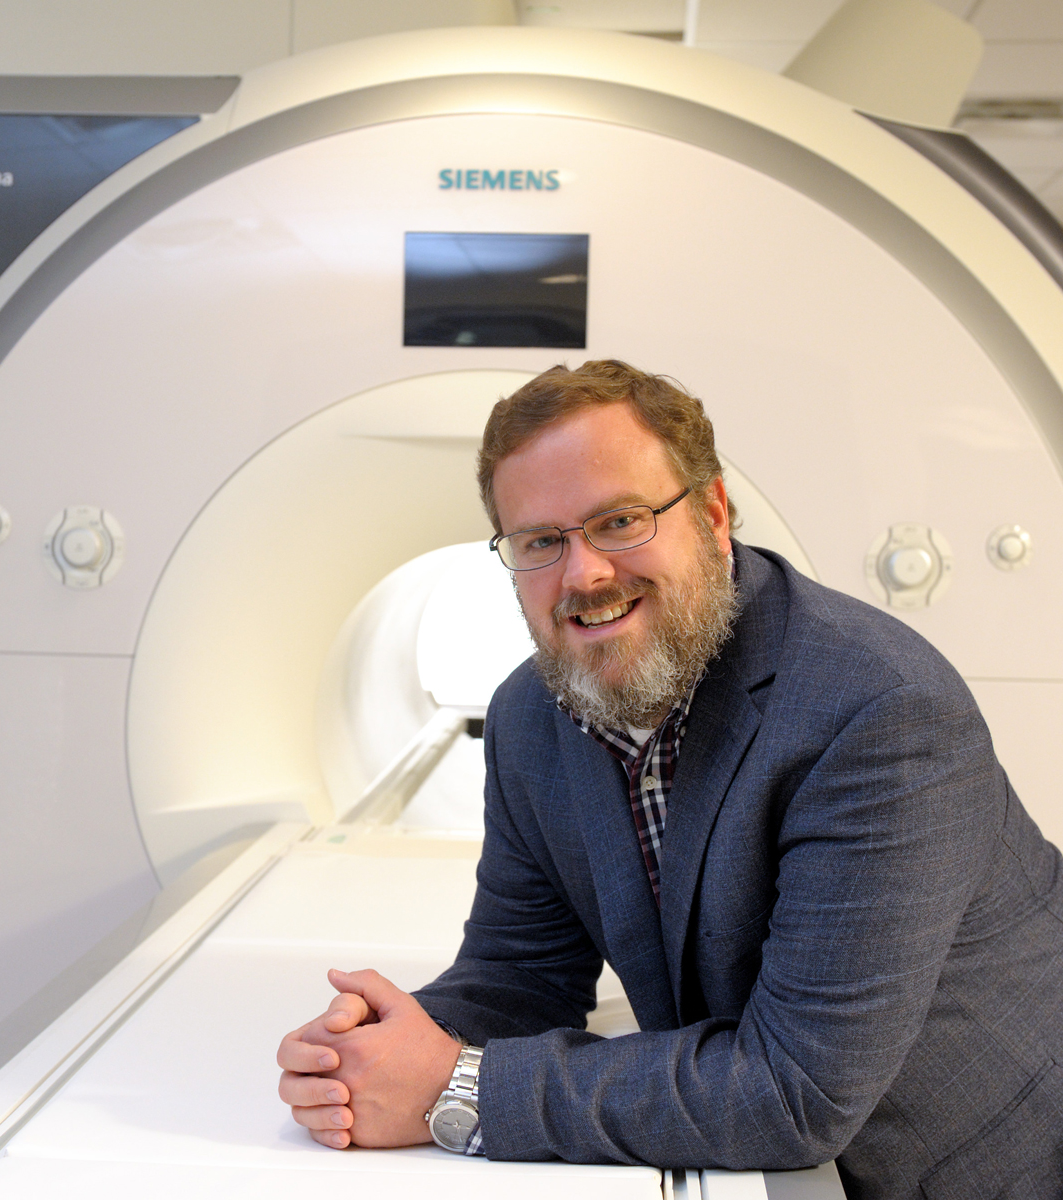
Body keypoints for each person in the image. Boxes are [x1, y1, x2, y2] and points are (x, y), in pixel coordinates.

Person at [278, 360, 1063, 1198]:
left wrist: (457, 1089)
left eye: (618, 521)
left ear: (714, 515)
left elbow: (795, 1090)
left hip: (974, 1163)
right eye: (542, 541)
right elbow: (523, 975)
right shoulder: (530, 715)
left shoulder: (876, 711)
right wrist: (375, 1048)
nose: (583, 575)